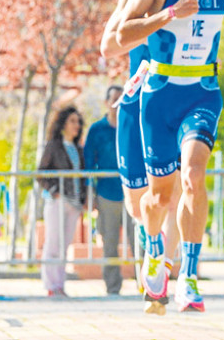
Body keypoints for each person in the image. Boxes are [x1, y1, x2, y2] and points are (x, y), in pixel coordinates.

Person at [117, 0, 224, 312]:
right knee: (158, 197)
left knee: (194, 175)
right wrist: (167, 15)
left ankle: (188, 275)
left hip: (203, 92)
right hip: (159, 95)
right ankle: (154, 250)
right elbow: (122, 36)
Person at [101, 0, 183, 305]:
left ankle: (168, 270)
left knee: (175, 187)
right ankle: (154, 250)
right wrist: (160, 18)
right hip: (137, 100)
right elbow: (108, 46)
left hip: (178, 99)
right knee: (138, 206)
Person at [83, 85, 131, 295]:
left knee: (141, 241)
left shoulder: (132, 125)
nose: (118, 104)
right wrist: (89, 195)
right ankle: (113, 288)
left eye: (122, 99)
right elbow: (87, 164)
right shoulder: (97, 130)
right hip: (106, 194)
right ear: (106, 102)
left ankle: (148, 286)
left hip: (134, 193)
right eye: (115, 99)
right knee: (109, 243)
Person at [38, 105, 87, 297]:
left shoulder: (77, 148)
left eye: (78, 122)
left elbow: (81, 176)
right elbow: (41, 173)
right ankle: (51, 285)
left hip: (74, 204)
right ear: (63, 124)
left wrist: (83, 199)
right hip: (57, 201)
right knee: (53, 243)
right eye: (72, 121)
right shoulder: (53, 146)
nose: (77, 125)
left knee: (65, 244)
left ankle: (60, 285)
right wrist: (54, 190)